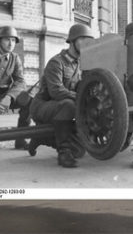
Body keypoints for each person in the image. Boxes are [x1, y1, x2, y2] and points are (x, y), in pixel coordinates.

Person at [29, 23, 94, 167]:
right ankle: (63, 153)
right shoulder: (56, 62)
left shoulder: (81, 64)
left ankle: (41, 137)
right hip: (43, 106)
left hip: (61, 108)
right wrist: (80, 98)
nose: (85, 44)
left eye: (88, 40)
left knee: (79, 151)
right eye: (82, 39)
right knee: (68, 104)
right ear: (72, 41)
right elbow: (56, 91)